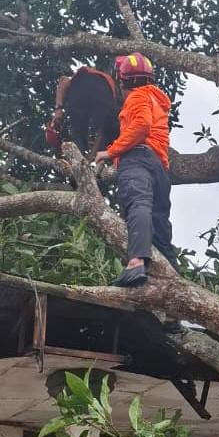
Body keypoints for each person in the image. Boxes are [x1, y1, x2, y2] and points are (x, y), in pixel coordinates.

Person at [95, 52, 177, 287]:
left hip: (137, 159)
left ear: (124, 81)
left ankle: (136, 262)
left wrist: (110, 152)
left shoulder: (137, 97)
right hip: (159, 168)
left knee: (137, 203)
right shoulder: (156, 101)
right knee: (160, 225)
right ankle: (173, 285)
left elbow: (141, 126)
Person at [45, 66, 120, 155]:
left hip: (85, 87)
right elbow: (104, 131)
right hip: (98, 89)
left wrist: (58, 109)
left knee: (80, 135)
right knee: (109, 130)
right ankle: (82, 157)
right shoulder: (109, 92)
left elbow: (63, 80)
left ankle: (81, 156)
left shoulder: (87, 78)